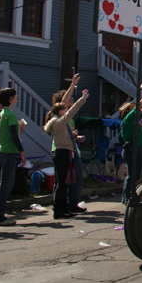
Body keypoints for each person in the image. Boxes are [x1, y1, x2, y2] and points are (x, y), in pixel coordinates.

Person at [44, 89, 88, 220]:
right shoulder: (59, 121)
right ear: (59, 111)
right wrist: (82, 99)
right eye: (64, 110)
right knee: (62, 183)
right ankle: (58, 210)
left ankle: (63, 208)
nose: (66, 111)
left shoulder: (59, 121)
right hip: (61, 153)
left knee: (65, 183)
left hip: (66, 151)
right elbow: (73, 110)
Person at [0, 87, 25, 226]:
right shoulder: (10, 115)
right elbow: (13, 136)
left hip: (3, 151)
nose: (17, 96)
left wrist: (20, 129)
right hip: (8, 153)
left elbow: (12, 134)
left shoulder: (3, 113)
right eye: (15, 95)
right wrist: (22, 152)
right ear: (10, 98)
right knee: (5, 185)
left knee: (6, 184)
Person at [52, 74, 85, 213]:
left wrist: (76, 136)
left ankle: (71, 205)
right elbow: (65, 100)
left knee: (74, 178)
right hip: (62, 150)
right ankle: (61, 207)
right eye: (69, 99)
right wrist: (73, 84)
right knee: (62, 181)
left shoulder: (69, 117)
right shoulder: (59, 116)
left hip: (72, 147)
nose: (70, 101)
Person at [120, 93, 142, 205]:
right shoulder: (128, 120)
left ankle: (131, 193)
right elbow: (139, 110)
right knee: (132, 174)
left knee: (136, 175)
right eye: (132, 109)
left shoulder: (136, 121)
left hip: (140, 149)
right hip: (132, 150)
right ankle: (128, 196)